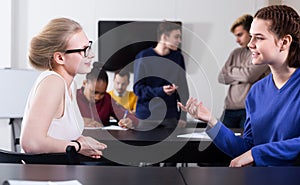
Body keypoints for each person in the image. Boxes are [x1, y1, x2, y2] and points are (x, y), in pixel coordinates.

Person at [178, 5, 300, 167]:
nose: (250, 44)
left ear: (284, 42)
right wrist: (212, 121)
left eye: (259, 37)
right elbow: (245, 148)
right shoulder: (256, 92)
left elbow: (253, 153)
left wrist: (256, 154)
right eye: (251, 36)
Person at [20, 18, 107, 159]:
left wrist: (81, 143)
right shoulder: (53, 82)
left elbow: (58, 134)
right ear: (60, 58)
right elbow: (31, 143)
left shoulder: (70, 85)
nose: (91, 55)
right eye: (84, 50)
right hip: (45, 177)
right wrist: (78, 146)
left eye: (89, 47)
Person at [134, 21, 189, 129]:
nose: (179, 41)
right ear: (164, 37)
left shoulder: (178, 57)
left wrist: (183, 116)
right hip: (146, 117)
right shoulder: (143, 57)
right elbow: (138, 89)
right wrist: (161, 91)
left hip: (170, 117)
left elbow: (183, 89)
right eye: (176, 37)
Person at [218, 14, 270, 128]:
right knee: (219, 142)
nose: (237, 40)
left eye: (240, 35)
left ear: (251, 32)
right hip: (229, 110)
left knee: (245, 144)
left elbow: (249, 76)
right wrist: (242, 74)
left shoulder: (262, 53)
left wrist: (232, 71)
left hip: (250, 110)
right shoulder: (236, 53)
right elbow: (221, 77)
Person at [77, 62, 137, 129]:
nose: (97, 97)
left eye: (102, 93)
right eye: (94, 92)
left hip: (102, 138)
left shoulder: (107, 99)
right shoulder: (72, 97)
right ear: (84, 83)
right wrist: (79, 121)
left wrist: (130, 121)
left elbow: (129, 116)